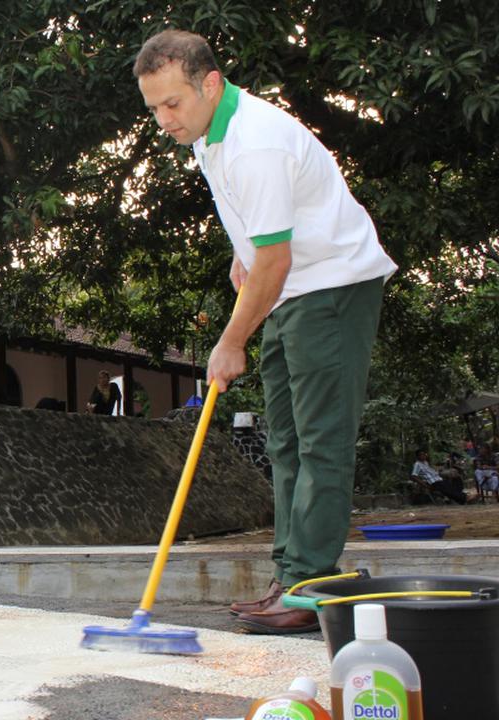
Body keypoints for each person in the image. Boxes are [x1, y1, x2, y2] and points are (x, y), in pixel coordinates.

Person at [134, 30, 397, 634]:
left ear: (210, 84)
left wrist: (231, 340)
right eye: (153, 109)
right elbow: (258, 239)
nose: (163, 120)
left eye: (171, 104)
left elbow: (276, 261)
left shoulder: (256, 142)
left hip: (330, 287)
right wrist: (241, 253)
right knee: (286, 441)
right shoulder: (208, 138)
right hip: (287, 290)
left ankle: (310, 587)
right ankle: (292, 574)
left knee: (320, 439)